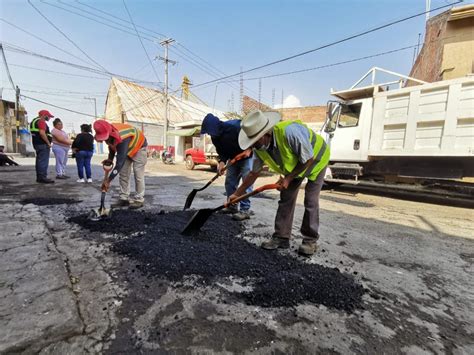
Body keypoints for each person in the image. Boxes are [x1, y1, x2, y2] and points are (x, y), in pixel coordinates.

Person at [230, 110, 330, 256]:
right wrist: (236, 194)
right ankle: (281, 237)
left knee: (311, 200)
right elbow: (253, 173)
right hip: (297, 165)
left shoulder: (290, 132)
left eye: (255, 141)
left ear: (267, 134)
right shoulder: (260, 148)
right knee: (286, 198)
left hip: (316, 160)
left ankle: (310, 240)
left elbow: (309, 159)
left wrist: (288, 178)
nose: (253, 146)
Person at [201, 113, 253, 221]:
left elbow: (251, 134)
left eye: (211, 132)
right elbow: (221, 151)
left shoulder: (235, 126)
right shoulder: (215, 137)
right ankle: (232, 206)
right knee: (230, 182)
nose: (211, 135)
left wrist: (250, 148)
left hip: (246, 158)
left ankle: (245, 210)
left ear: (217, 127)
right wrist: (221, 163)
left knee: (246, 184)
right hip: (233, 159)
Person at [93, 120, 147, 209]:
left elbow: (119, 164)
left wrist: (108, 181)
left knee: (138, 174)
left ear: (110, 133)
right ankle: (124, 198)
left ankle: (139, 199)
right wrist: (110, 159)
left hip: (139, 148)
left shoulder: (122, 137)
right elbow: (112, 146)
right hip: (126, 148)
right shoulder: (110, 133)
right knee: (123, 174)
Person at [30, 109, 54, 183]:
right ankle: (42, 177)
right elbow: (42, 133)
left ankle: (40, 177)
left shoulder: (34, 121)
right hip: (42, 144)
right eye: (48, 116)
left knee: (39, 160)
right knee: (43, 161)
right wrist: (48, 143)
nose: (49, 118)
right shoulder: (41, 121)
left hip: (37, 143)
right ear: (44, 115)